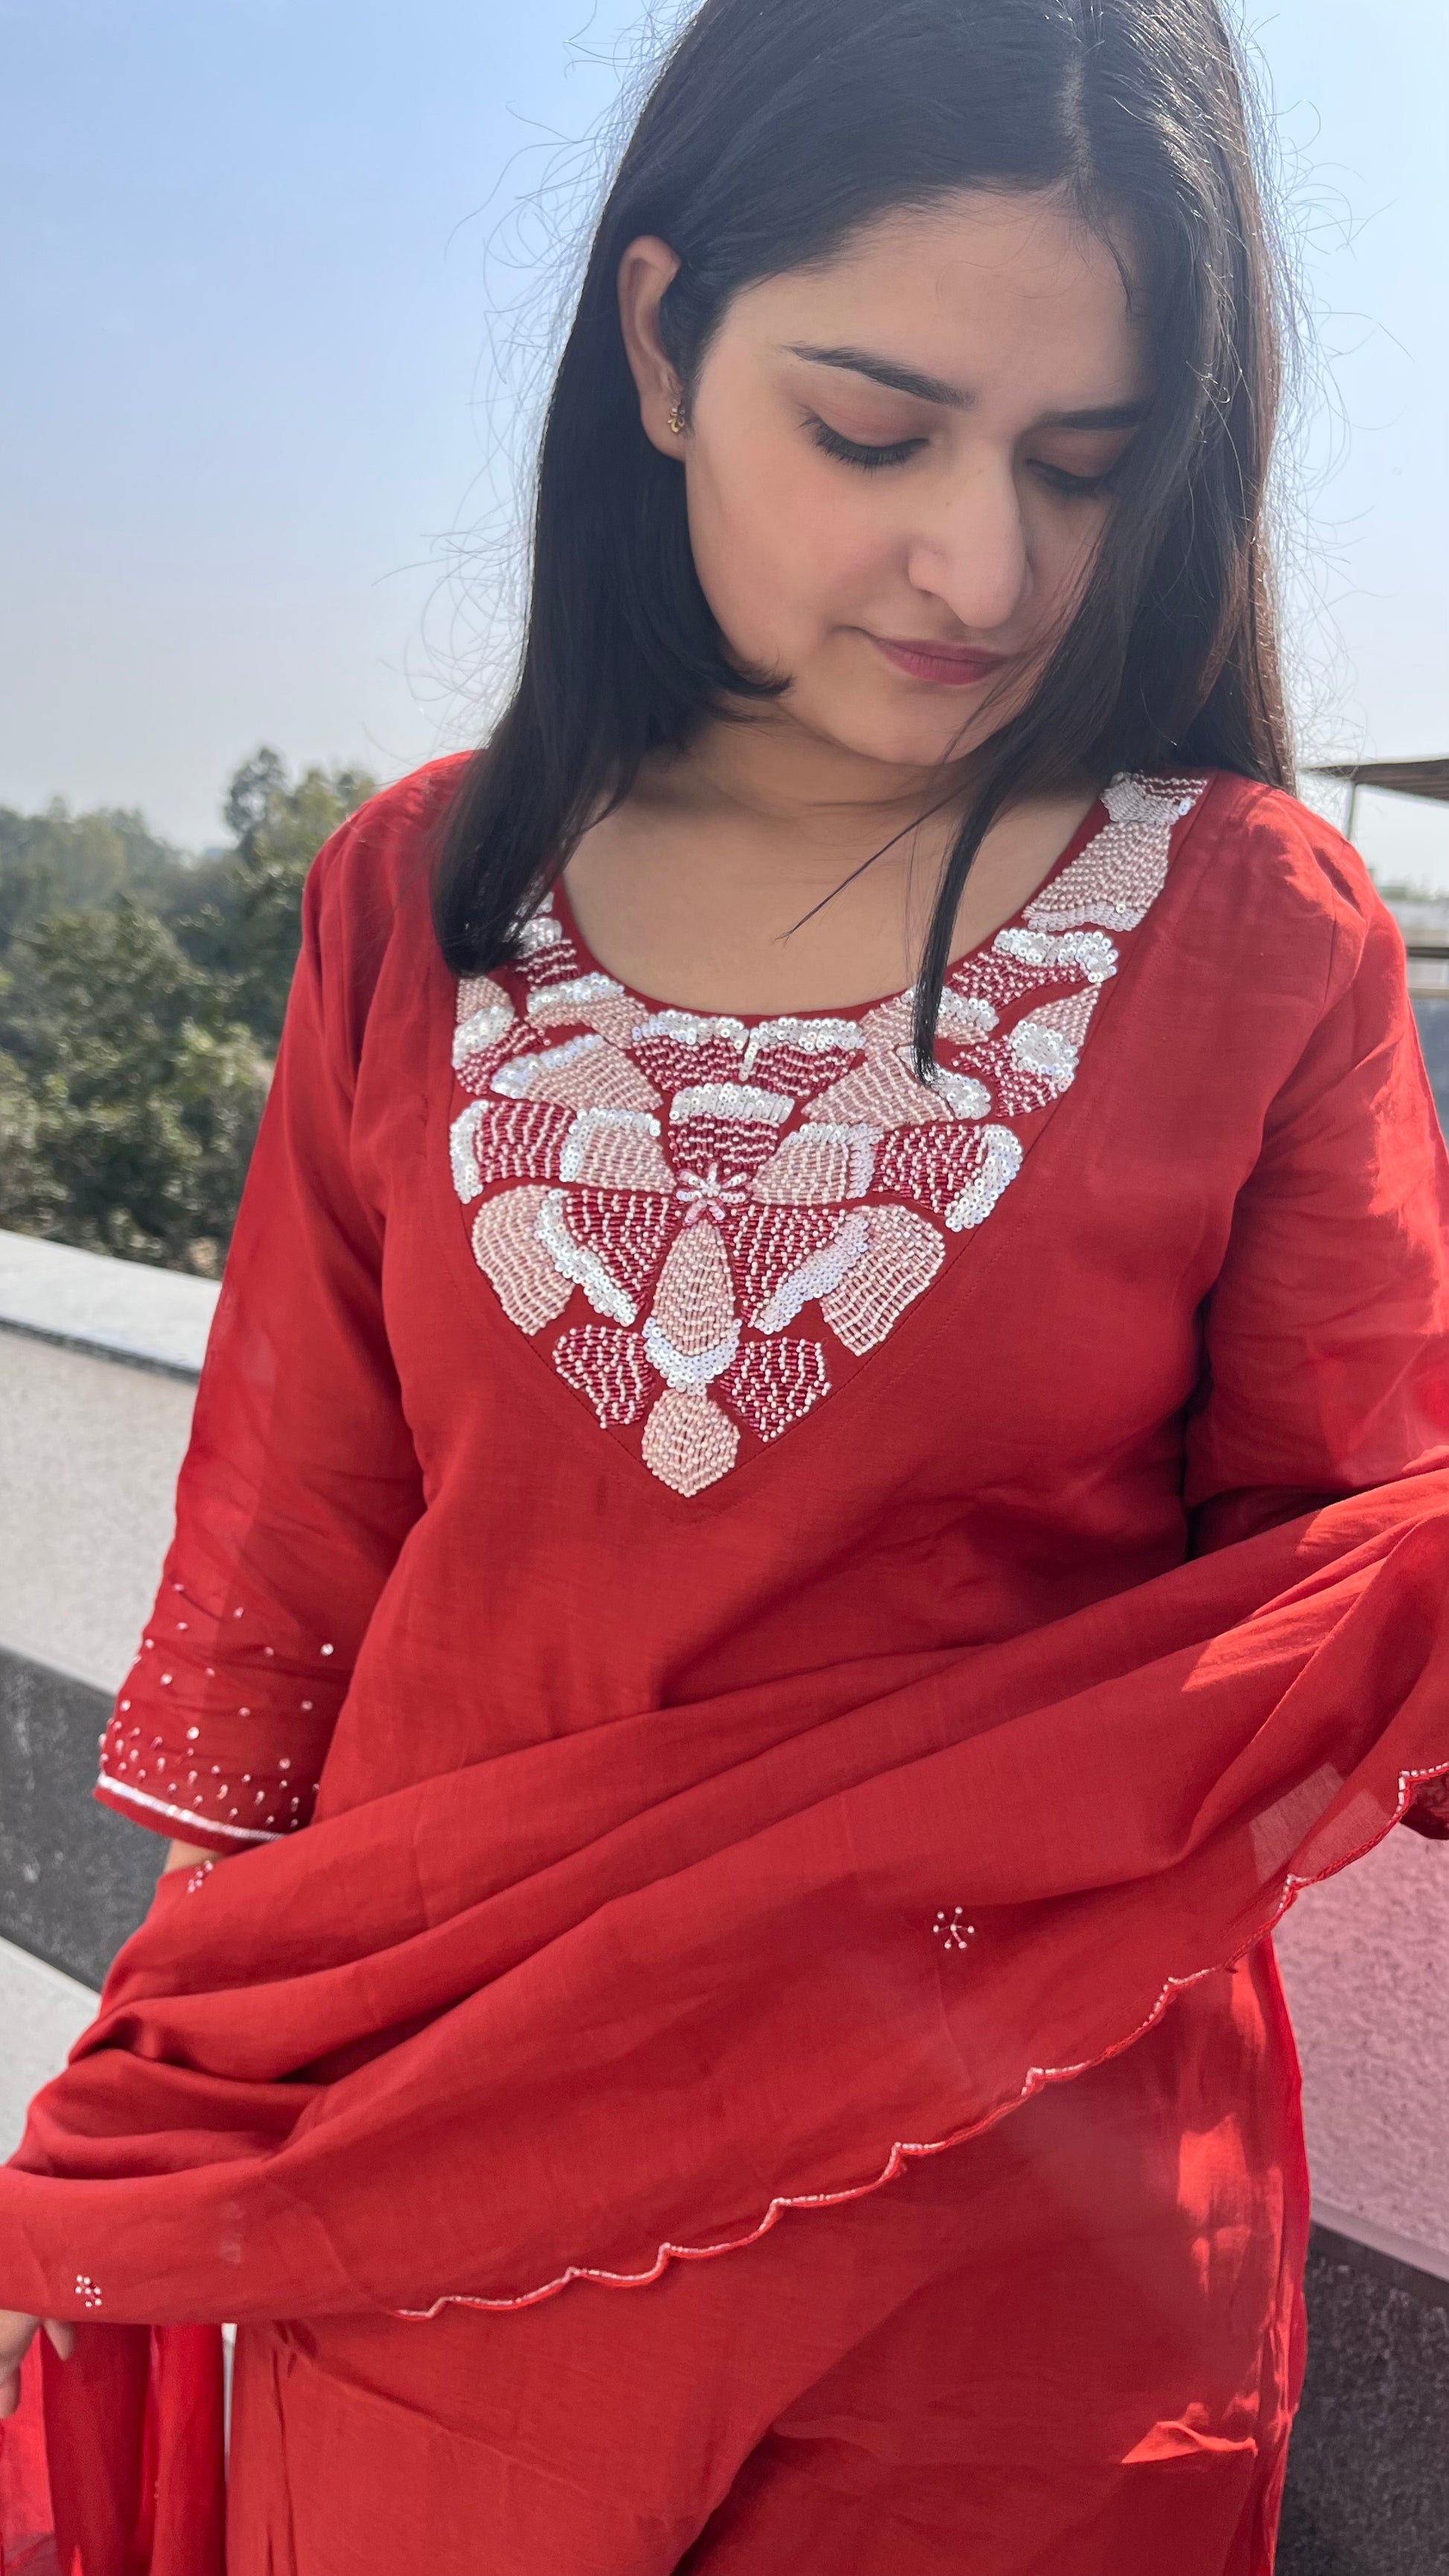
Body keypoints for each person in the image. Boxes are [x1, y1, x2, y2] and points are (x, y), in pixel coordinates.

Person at [1, 0, 1447, 2567]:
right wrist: (165, 2129)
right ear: (662, 344)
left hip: (1023, 2253)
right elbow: (299, 1558)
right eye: (875, 431)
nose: (984, 565)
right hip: (440, 2201)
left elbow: (1357, 1578)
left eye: (1082, 465)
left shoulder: (1253, 926)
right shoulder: (422, 892)